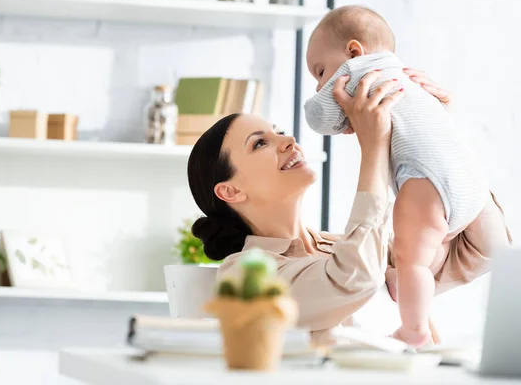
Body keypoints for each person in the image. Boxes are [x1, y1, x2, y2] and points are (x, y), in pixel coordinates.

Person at [186, 67, 511, 346]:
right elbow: (354, 280)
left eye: (279, 131)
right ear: (230, 191)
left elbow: (484, 249)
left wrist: (436, 135)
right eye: (260, 143)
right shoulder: (246, 273)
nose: (287, 141)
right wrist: (374, 148)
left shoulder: (345, 245)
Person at [302, 5, 512, 346]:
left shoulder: (357, 73)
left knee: (410, 257)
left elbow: (319, 118)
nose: (320, 85)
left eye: (320, 71)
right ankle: (410, 284)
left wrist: (335, 103)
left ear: (353, 52)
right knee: (443, 255)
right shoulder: (406, 77)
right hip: (468, 176)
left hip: (424, 177)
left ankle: (415, 330)